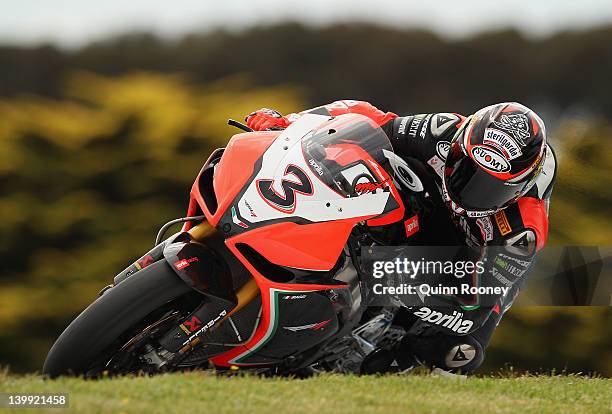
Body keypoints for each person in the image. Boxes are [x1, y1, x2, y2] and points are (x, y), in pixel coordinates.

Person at [244, 100, 557, 374]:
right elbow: (366, 118)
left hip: (473, 252)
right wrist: (287, 121)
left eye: (491, 187)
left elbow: (475, 311)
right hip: (427, 198)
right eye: (466, 168)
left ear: (519, 187)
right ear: (460, 145)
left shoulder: (522, 230)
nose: (471, 190)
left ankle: (369, 356)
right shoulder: (443, 130)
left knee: (463, 351)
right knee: (377, 167)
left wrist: (407, 289)